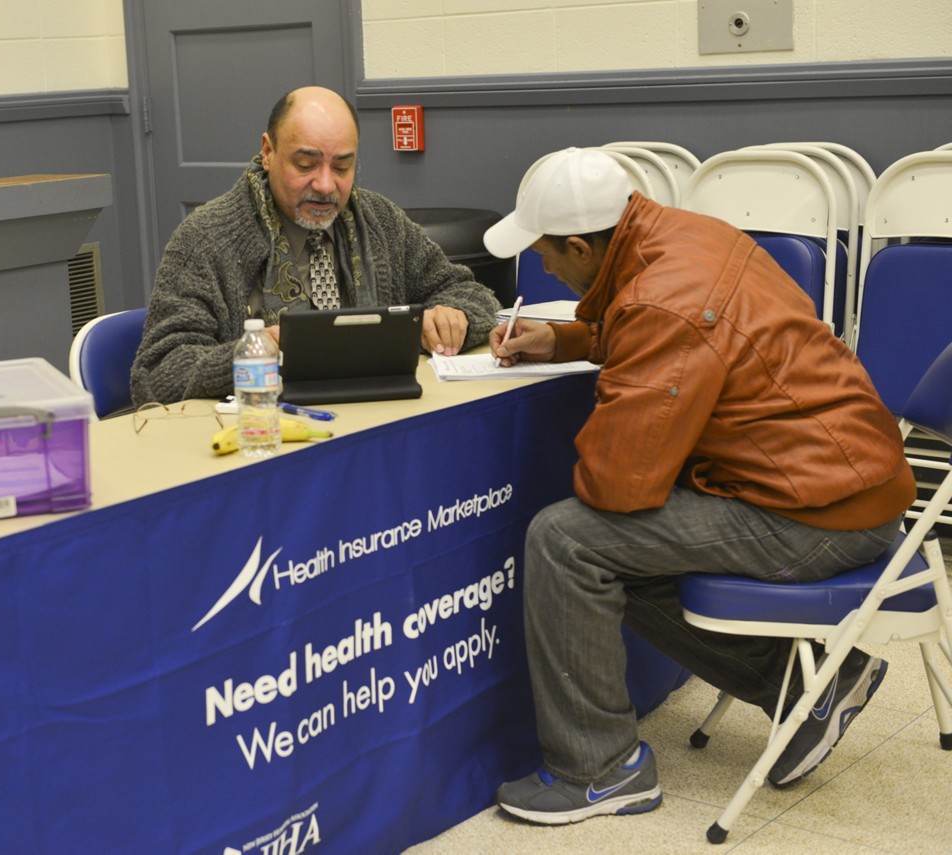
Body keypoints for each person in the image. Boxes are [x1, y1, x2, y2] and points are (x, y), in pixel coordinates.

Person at [481, 147, 915, 825]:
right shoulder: (683, 233)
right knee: (616, 550)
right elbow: (661, 324)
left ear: (579, 246)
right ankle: (808, 687)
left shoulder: (664, 299)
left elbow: (615, 485)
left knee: (567, 541)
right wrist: (566, 340)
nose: (543, 267)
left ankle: (598, 770)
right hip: (846, 477)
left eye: (546, 254)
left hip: (822, 510)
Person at [130, 86, 501, 406]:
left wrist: (453, 316)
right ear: (268, 151)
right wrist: (257, 352)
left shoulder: (379, 220)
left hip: (376, 418)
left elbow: (469, 292)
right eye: (306, 164)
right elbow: (156, 373)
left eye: (342, 168)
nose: (325, 185)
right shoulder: (208, 238)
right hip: (265, 438)